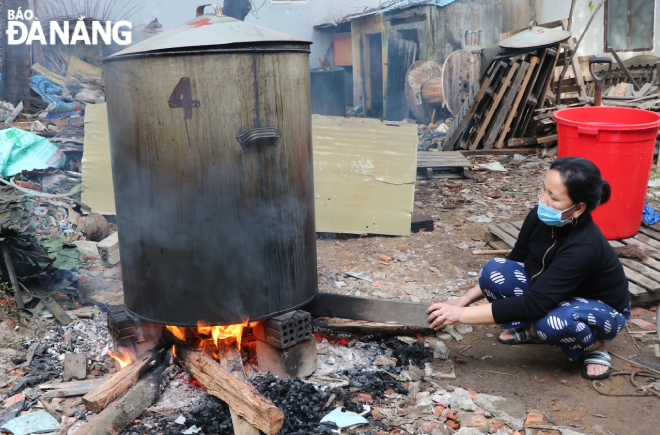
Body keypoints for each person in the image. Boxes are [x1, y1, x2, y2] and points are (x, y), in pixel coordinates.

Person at [427, 156, 630, 380]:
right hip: (553, 295)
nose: (543, 200)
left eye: (553, 197)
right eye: (543, 189)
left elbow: (534, 303)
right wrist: (463, 300)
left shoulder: (584, 247)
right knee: (495, 270)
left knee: (553, 322)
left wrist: (459, 315)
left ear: (578, 208)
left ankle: (595, 348)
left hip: (603, 311)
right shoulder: (539, 216)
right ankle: (534, 330)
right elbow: (516, 260)